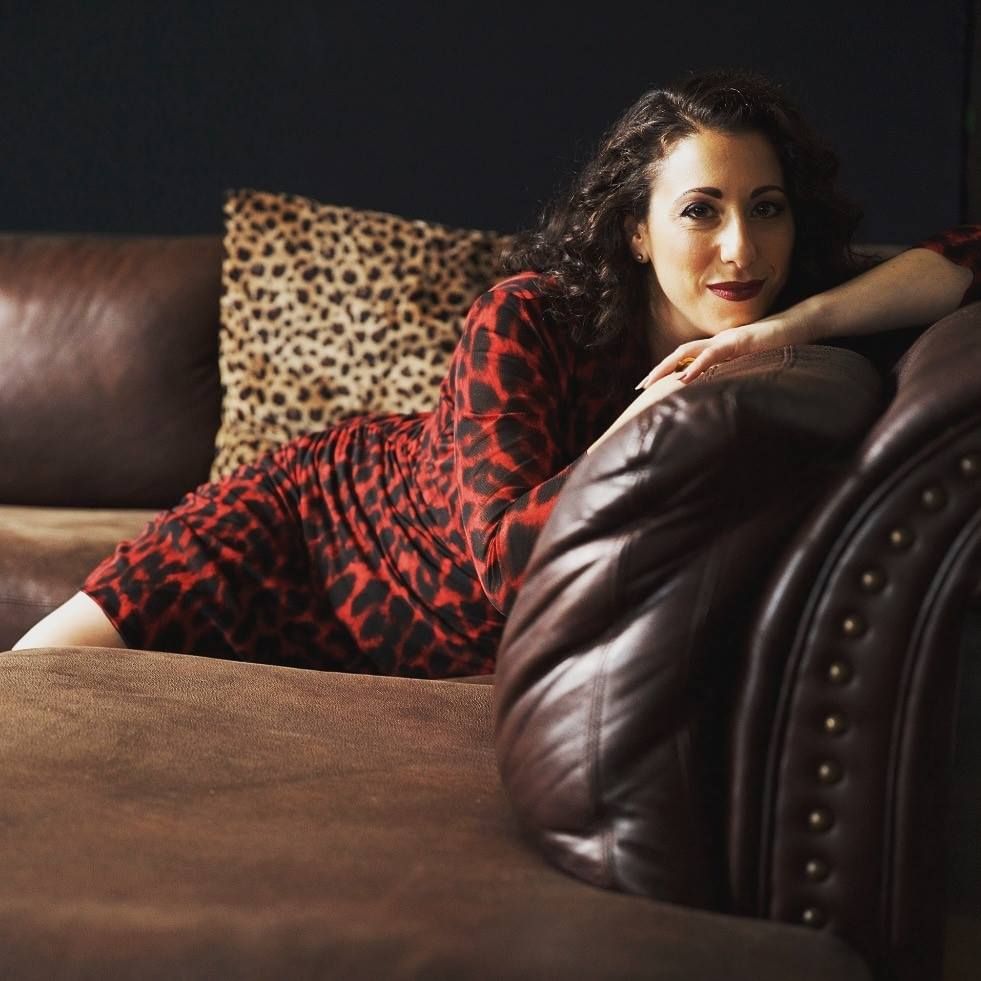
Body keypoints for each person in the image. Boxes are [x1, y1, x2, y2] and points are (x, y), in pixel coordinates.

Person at [13, 68, 980, 676]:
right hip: (304, 531)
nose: (740, 247)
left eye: (766, 207)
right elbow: (511, 566)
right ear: (636, 232)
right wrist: (654, 409)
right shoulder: (525, 319)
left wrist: (795, 323)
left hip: (427, 642)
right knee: (38, 686)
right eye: (700, 210)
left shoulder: (786, 318)